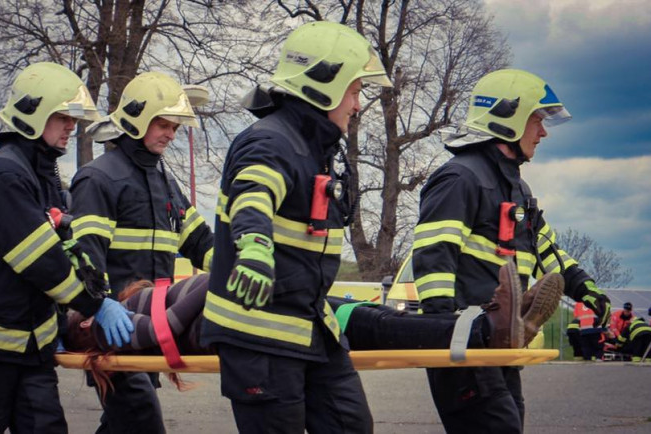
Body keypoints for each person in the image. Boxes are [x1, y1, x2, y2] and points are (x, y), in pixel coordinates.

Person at [197, 21, 395, 433]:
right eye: (355, 91)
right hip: (259, 337)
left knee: (352, 424)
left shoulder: (315, 149)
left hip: (312, 328)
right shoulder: (270, 140)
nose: (357, 106)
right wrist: (254, 246)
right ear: (325, 85)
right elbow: (253, 192)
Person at [0, 62, 134, 433]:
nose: (72, 125)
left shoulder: (37, 173)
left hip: (25, 349)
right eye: (62, 116)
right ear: (33, 114)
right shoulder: (5, 175)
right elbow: (40, 261)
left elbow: (66, 247)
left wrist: (84, 298)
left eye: (73, 117)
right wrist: (96, 306)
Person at [412, 68, 612, 433]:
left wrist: (585, 289)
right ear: (508, 118)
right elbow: (433, 254)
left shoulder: (516, 189)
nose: (543, 132)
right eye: (537, 120)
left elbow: (547, 249)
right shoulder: (459, 178)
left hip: (498, 343)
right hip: (465, 344)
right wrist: (444, 327)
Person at [64, 261, 561, 395]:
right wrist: (209, 280)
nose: (91, 305)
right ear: (84, 326)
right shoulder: (112, 329)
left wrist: (206, 280)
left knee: (383, 319)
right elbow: (164, 331)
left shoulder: (113, 310)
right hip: (236, 322)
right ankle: (490, 328)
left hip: (240, 307)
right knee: (372, 324)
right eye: (82, 311)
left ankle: (495, 324)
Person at [69, 71, 214, 433]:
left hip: (149, 327)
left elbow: (200, 242)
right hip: (112, 326)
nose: (170, 133)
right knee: (141, 418)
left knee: (124, 423)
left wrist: (235, 269)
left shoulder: (165, 182)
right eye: (162, 124)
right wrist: (99, 306)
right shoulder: (98, 178)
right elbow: (87, 256)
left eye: (175, 127)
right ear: (135, 119)